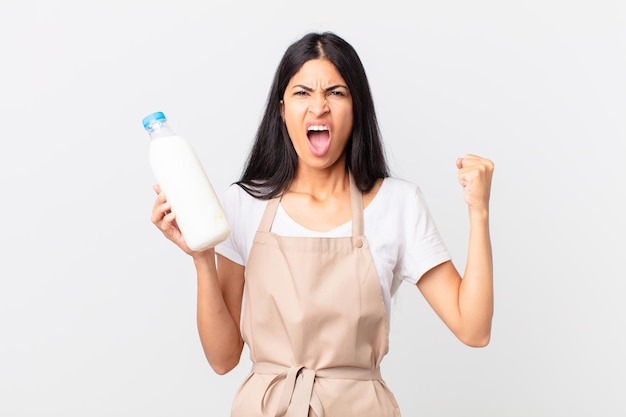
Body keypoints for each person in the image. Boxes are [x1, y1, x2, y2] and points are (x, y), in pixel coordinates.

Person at [151, 31, 494, 417]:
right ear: (281, 109)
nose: (319, 107)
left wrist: (478, 212)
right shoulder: (244, 203)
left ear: (356, 107)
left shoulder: (398, 203)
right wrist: (201, 257)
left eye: (336, 92)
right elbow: (223, 357)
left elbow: (473, 328)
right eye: (302, 93)